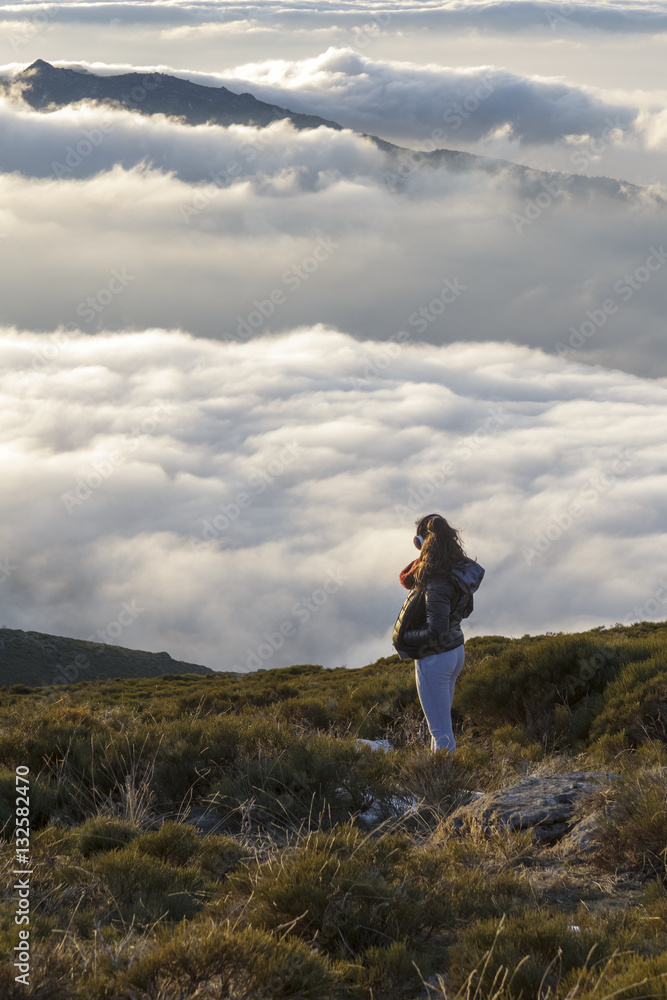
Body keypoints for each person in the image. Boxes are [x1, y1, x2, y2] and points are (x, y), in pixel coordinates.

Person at [392, 513, 484, 753]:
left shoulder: (436, 579)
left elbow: (436, 631)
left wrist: (403, 639)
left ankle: (446, 787)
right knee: (441, 728)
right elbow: (462, 612)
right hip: (454, 652)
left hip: (435, 658)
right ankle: (439, 783)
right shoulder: (458, 569)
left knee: (440, 732)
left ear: (422, 542)